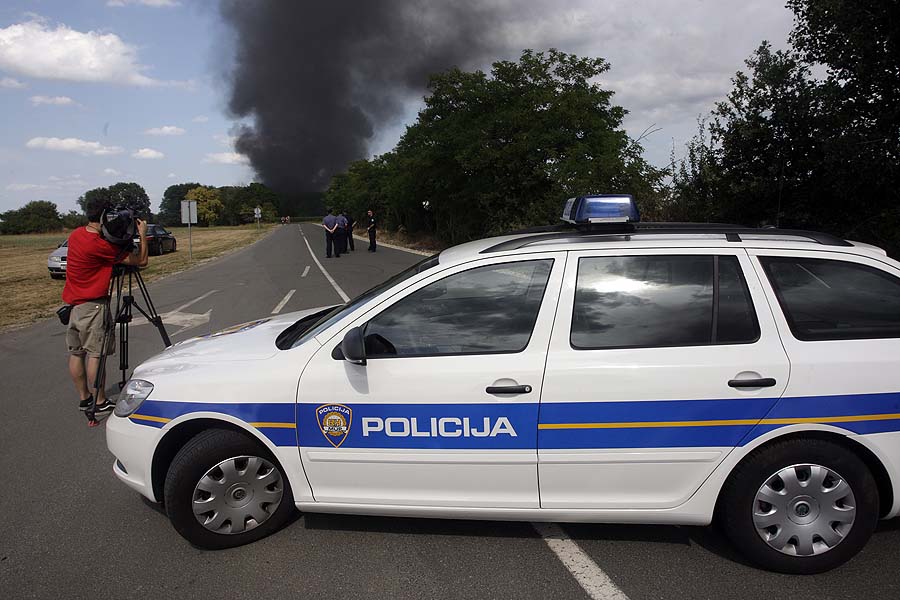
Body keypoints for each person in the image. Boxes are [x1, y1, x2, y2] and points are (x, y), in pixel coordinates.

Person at [63, 197, 148, 413]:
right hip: (93, 306)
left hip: (74, 306)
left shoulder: (76, 236)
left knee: (76, 354)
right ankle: (99, 401)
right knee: (96, 354)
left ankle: (85, 398)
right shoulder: (99, 246)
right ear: (103, 217)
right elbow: (141, 261)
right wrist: (142, 235)